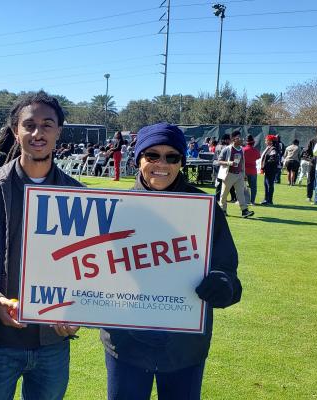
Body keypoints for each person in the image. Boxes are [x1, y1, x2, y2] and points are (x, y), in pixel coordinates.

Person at [101, 122, 242, 400]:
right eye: (151, 155)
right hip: (125, 344)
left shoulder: (205, 209)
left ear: (181, 162)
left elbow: (227, 271)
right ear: (138, 158)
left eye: (172, 156)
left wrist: (222, 283)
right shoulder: (113, 207)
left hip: (184, 347)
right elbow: (90, 269)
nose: (161, 164)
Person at [0, 91, 80, 400]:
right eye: (29, 124)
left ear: (59, 132)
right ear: (14, 131)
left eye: (47, 124)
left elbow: (92, 267)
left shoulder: (80, 196)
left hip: (52, 344)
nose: (38, 133)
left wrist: (78, 312)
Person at [216, 131, 254, 217]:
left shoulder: (242, 149)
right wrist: (229, 163)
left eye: (241, 138)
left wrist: (244, 174)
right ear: (233, 139)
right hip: (228, 174)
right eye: (239, 138)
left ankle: (244, 210)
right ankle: (223, 210)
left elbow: (242, 163)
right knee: (224, 194)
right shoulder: (227, 149)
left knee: (241, 193)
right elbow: (218, 161)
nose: (241, 139)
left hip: (239, 174)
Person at [304, 130, 317, 202]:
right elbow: (306, 152)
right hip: (313, 164)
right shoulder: (312, 141)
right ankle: (309, 196)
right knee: (310, 180)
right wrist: (311, 159)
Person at [260, 134, 280, 206]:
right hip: (268, 169)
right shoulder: (269, 148)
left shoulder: (273, 149)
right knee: (266, 184)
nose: (265, 141)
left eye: (267, 140)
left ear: (271, 141)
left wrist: (265, 165)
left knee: (269, 184)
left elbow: (273, 159)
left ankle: (269, 200)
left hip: (270, 169)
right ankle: (266, 199)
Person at [243, 135, 261, 205]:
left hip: (244, 171)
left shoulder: (243, 150)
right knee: (253, 187)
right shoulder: (255, 151)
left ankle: (245, 200)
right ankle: (252, 201)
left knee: (244, 186)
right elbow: (258, 157)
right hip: (253, 171)